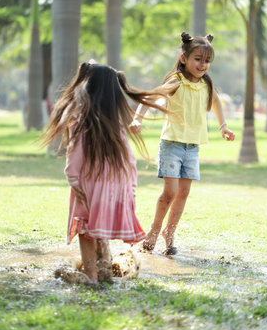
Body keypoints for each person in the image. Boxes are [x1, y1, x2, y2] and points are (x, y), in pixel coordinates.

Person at [41, 62, 178, 283]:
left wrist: (73, 180)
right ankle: (106, 267)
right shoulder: (113, 121)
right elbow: (128, 158)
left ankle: (92, 275)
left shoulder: (79, 117)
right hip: (117, 184)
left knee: (85, 228)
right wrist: (131, 187)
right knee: (99, 225)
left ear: (89, 87)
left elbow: (74, 155)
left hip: (88, 182)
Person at [130, 32, 235, 255]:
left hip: (192, 147)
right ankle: (154, 231)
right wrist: (137, 118)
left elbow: (215, 101)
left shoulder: (205, 84)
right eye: (198, 59)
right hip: (172, 145)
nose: (202, 64)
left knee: (183, 193)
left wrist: (223, 125)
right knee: (170, 192)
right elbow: (149, 98)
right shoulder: (176, 81)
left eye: (207, 61)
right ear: (184, 57)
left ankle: (170, 232)